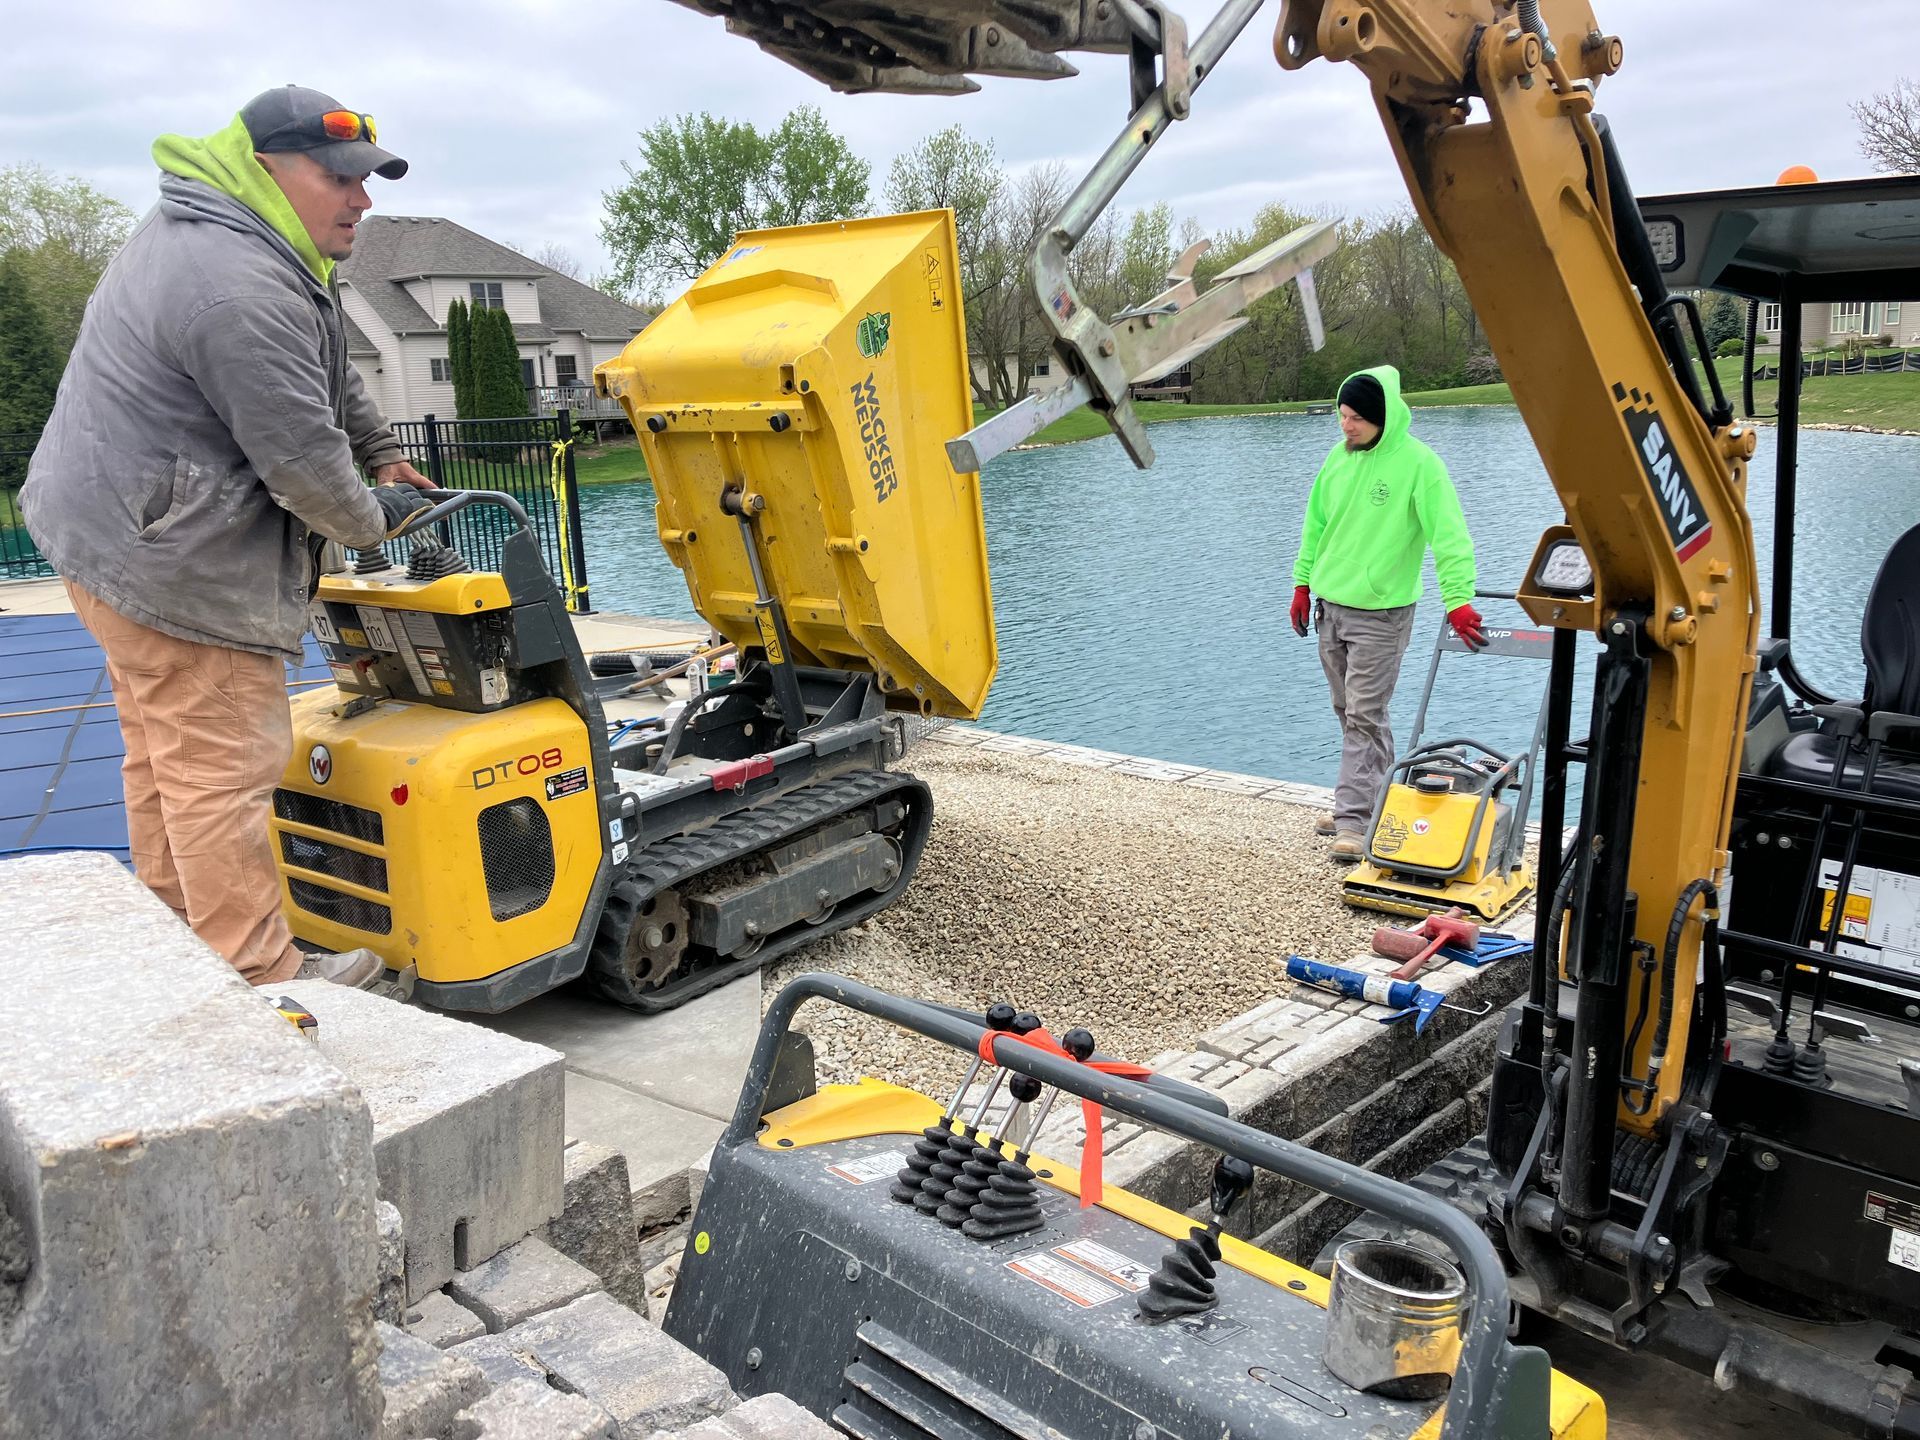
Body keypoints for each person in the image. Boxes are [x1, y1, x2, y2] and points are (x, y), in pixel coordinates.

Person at [21, 86, 435, 989]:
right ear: (266, 168)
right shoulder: (237, 284)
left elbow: (322, 357)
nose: (361, 199)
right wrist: (375, 523)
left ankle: (182, 947)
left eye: (365, 179)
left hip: (111, 537)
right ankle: (258, 981)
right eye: (339, 179)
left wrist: (382, 450)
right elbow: (303, 465)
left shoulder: (240, 235)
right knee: (221, 771)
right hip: (176, 566)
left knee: (164, 756)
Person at [1289, 366, 1484, 862]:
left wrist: (1458, 600)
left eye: (1356, 418)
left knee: (1364, 713)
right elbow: (1315, 526)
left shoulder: (1420, 465)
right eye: (1342, 415)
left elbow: (1449, 536)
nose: (1346, 425)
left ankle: (1353, 820)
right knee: (1349, 710)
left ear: (1383, 417)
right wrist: (1302, 584)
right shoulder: (1338, 459)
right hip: (1331, 607)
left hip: (1382, 613)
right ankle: (1375, 800)